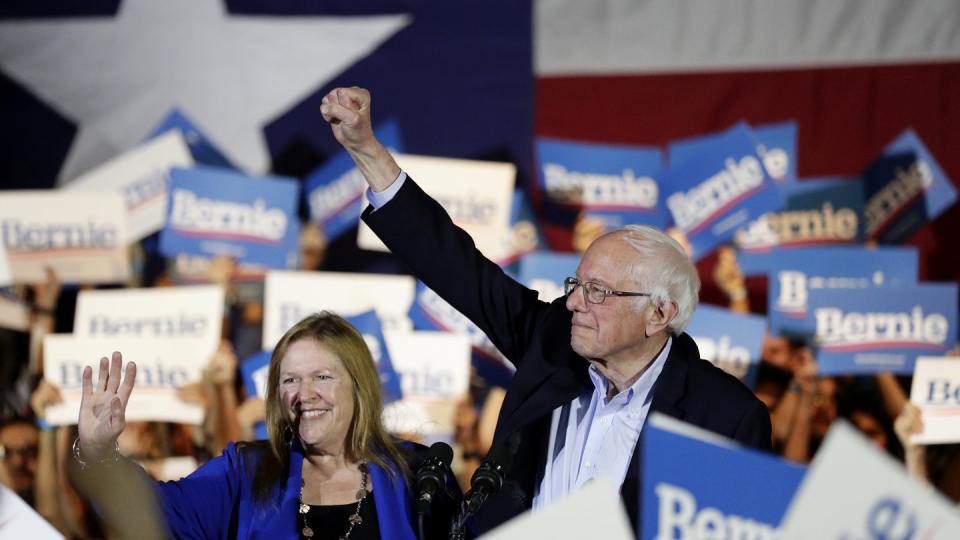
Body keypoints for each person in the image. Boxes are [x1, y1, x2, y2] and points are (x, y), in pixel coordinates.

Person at [320, 86, 772, 533]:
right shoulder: (554, 344)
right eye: (576, 284)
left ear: (659, 314)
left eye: (598, 291)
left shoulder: (725, 416)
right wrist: (368, 152)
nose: (574, 302)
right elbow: (457, 268)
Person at [73, 312, 456, 539]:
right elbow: (155, 513)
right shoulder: (246, 472)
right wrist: (98, 452)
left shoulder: (418, 474)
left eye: (322, 377)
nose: (303, 394)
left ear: (359, 386)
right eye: (289, 380)